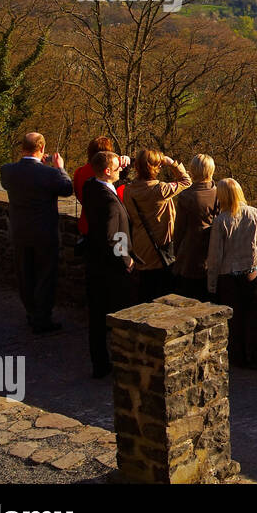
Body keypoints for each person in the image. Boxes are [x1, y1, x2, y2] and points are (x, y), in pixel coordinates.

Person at [0, 132, 74, 333]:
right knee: (45, 275)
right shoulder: (49, 175)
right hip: (44, 233)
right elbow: (68, 188)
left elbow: (17, 177)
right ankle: (42, 317)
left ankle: (31, 311)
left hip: (20, 231)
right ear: (42, 149)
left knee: (25, 273)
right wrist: (60, 168)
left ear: (22, 147)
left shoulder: (7, 171)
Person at [80, 151, 137, 378]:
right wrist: (127, 260)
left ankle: (100, 364)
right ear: (107, 171)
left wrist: (120, 165)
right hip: (112, 270)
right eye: (116, 167)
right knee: (120, 317)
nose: (120, 169)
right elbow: (112, 237)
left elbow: (107, 183)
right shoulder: (110, 203)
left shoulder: (90, 187)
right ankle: (121, 365)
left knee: (96, 318)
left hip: (94, 264)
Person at [206, 178, 257, 367]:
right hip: (251, 272)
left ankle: (237, 358)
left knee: (234, 319)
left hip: (228, 276)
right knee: (252, 316)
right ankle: (255, 356)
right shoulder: (254, 213)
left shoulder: (221, 220)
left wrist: (211, 285)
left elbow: (215, 256)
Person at [122, 149, 191, 302]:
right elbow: (186, 181)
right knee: (162, 294)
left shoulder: (128, 190)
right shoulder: (160, 189)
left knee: (143, 291)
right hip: (161, 247)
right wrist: (172, 163)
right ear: (155, 167)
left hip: (140, 245)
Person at [171, 154, 218, 301]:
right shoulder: (220, 193)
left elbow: (179, 230)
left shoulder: (187, 196)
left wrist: (177, 253)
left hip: (191, 256)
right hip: (214, 253)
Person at [72, 137, 130, 237]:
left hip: (86, 223)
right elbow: (120, 200)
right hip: (109, 228)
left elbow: (78, 195)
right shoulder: (109, 176)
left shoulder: (79, 172)